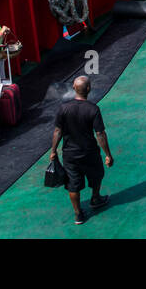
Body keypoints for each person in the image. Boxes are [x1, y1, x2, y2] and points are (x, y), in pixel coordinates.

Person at [49, 75, 114, 225]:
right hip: (90, 152)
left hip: (70, 154)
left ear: (74, 88)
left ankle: (78, 214)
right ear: (89, 89)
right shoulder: (93, 109)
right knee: (97, 175)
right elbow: (100, 134)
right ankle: (96, 198)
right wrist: (108, 154)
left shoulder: (63, 108)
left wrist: (53, 151)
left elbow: (57, 131)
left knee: (73, 184)